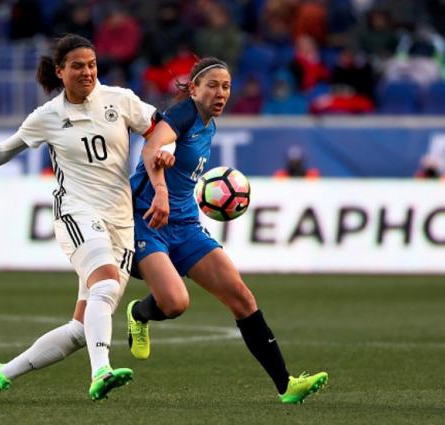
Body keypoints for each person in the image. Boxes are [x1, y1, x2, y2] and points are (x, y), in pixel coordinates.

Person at [0, 34, 168, 403]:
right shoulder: (48, 116)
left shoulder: (120, 100)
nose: (87, 72)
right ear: (60, 71)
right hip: (77, 214)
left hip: (121, 221)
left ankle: (1, 373)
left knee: (82, 329)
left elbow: (161, 128)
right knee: (107, 284)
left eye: (92, 64)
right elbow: (3, 151)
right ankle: (101, 372)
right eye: (78, 66)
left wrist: (163, 151)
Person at [126, 57, 329, 405]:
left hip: (187, 224)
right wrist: (160, 191)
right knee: (174, 304)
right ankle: (139, 314)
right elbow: (151, 149)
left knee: (242, 298)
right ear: (194, 89)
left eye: (227, 86)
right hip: (148, 219)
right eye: (213, 86)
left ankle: (287, 385)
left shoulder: (210, 125)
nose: (221, 93)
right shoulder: (183, 114)